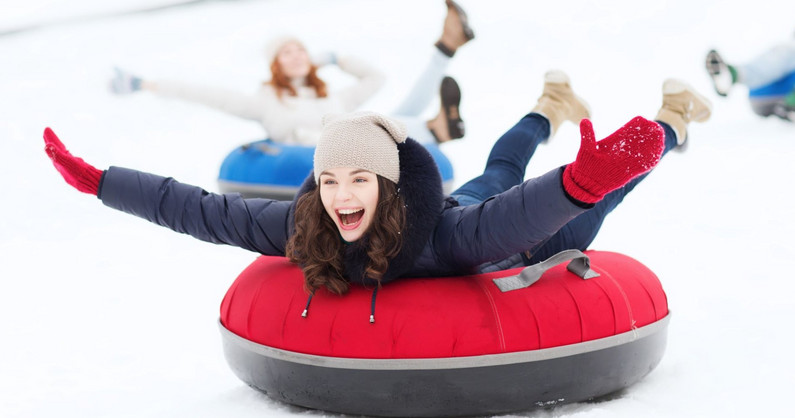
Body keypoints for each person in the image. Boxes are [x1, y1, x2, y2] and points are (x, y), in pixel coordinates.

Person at [43, 70, 711, 316]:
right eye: (330, 181)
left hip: (522, 234)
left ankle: (669, 120)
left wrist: (576, 185)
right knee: (501, 170)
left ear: (385, 187)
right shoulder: (307, 228)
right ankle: (553, 100)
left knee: (563, 184)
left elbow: (512, 221)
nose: (341, 195)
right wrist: (102, 182)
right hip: (466, 206)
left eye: (358, 179)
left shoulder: (446, 238)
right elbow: (203, 210)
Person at [109, 0, 475, 145]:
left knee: (403, 112)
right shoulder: (265, 101)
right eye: (287, 52)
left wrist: (336, 58)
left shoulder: (330, 95)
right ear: (276, 63)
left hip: (360, 132)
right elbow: (209, 94)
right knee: (394, 120)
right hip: (334, 150)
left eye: (301, 49)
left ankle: (447, 46)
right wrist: (147, 84)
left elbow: (376, 79)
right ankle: (436, 123)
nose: (297, 55)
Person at [706, 37, 795, 120]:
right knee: (786, 51)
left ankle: (734, 75)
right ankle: (732, 75)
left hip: (774, 99)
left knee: (788, 51)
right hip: (765, 92)